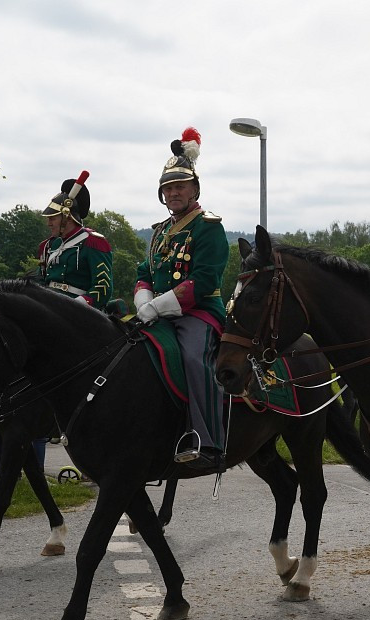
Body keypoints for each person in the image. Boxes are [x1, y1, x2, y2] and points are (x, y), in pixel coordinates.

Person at [135, 127, 229, 472]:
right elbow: (144, 270)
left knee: (192, 358)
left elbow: (203, 281)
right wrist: (144, 296)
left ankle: (210, 441)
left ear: (194, 189)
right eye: (168, 188)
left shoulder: (209, 227)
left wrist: (157, 305)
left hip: (199, 313)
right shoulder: (160, 230)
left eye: (179, 186)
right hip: (158, 313)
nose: (173, 193)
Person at [38, 171, 113, 308]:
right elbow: (40, 281)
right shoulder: (48, 246)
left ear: (67, 217)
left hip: (79, 312)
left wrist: (77, 305)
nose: (48, 223)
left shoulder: (93, 242)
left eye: (52, 218)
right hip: (47, 308)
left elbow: (103, 287)